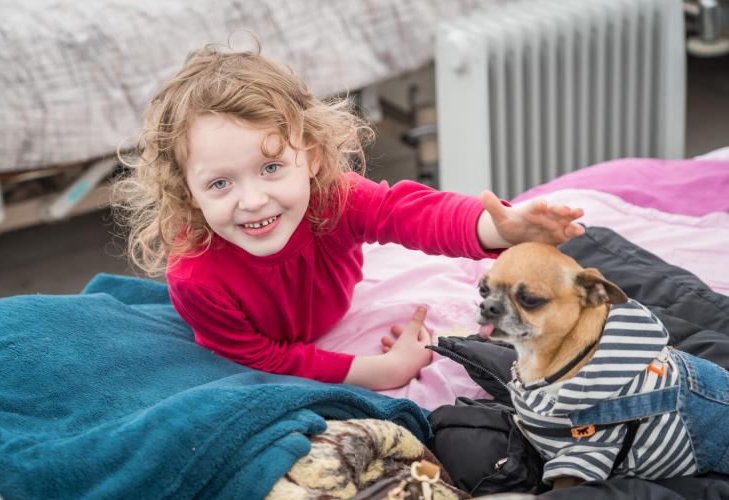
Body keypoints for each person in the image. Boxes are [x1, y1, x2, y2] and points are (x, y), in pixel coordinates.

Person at [114, 43, 584, 391]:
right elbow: (256, 356)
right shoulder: (195, 277)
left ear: (314, 157)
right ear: (188, 193)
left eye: (271, 167)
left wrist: (497, 228)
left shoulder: (331, 198)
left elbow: (410, 213)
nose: (253, 200)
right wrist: (378, 372)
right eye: (220, 183)